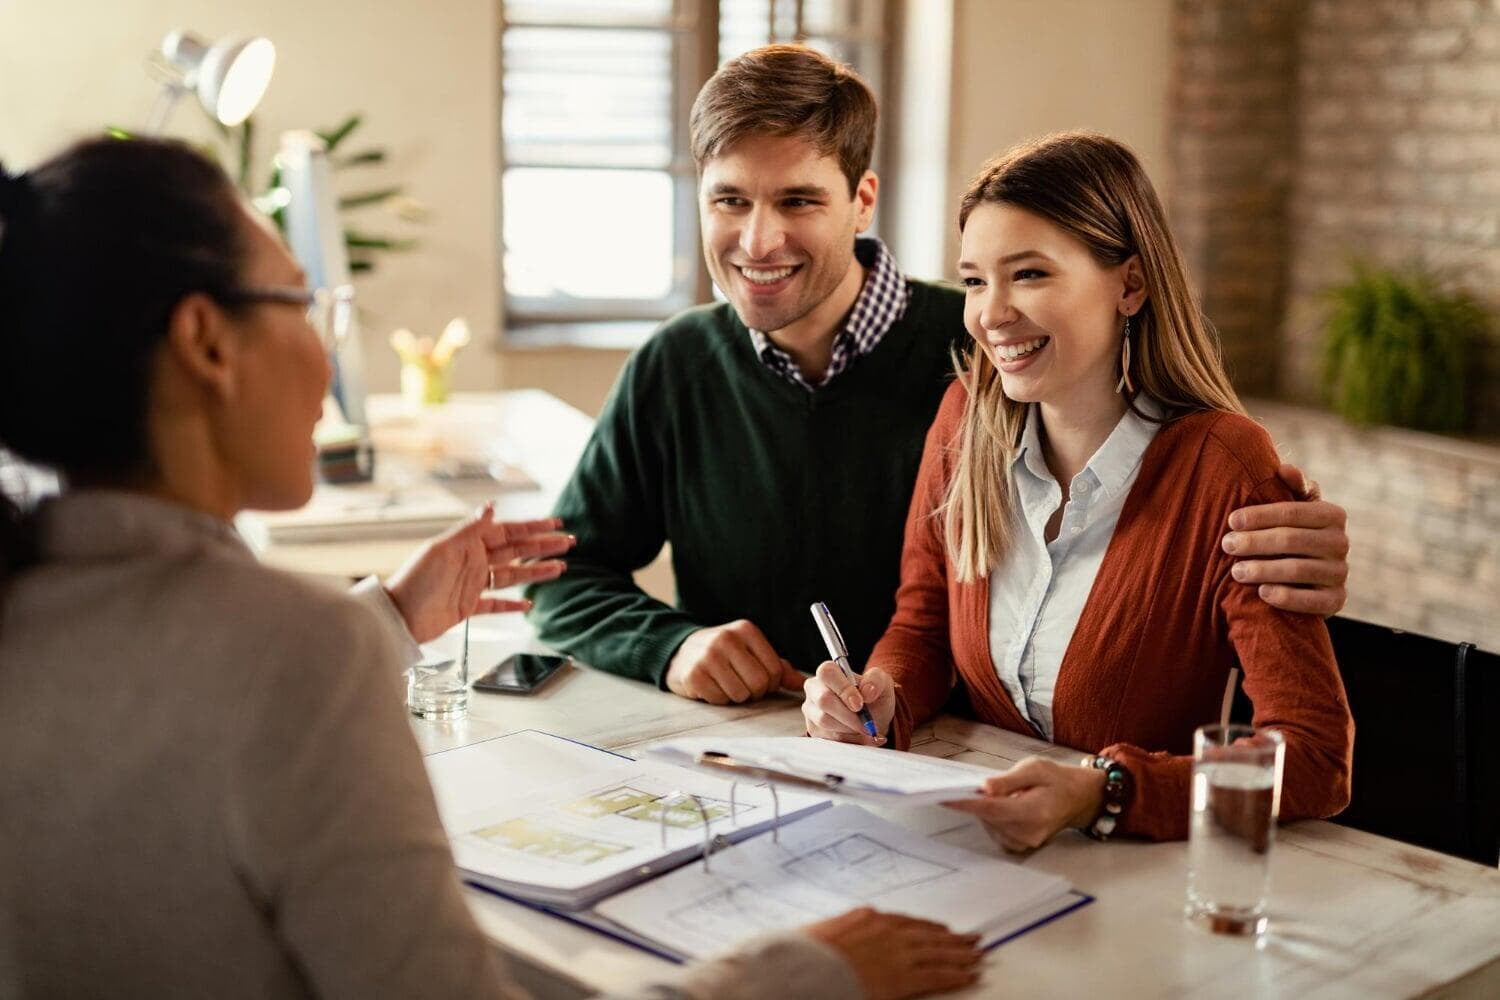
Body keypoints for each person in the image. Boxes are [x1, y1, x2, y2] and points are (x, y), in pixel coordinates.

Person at [0, 136, 982, 999]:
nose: (325, 344)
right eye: (302, 300)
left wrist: (384, 616)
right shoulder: (299, 651)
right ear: (207, 343)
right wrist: (801, 974)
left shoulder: (32, 594)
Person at [527, 45, 1352, 707]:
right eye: (730, 200)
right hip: (758, 758)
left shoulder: (994, 361)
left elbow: (1149, 496)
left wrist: (1278, 527)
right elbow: (564, 577)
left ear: (863, 200)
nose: (758, 240)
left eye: (799, 201)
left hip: (967, 761)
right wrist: (673, 646)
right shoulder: (675, 366)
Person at [801, 132, 1355, 846]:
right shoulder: (965, 423)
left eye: (1029, 274)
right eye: (975, 280)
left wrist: (1107, 791)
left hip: (1144, 884)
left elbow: (1314, 757)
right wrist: (881, 696)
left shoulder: (1226, 467)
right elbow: (923, 624)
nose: (990, 314)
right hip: (977, 854)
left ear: (1130, 285)